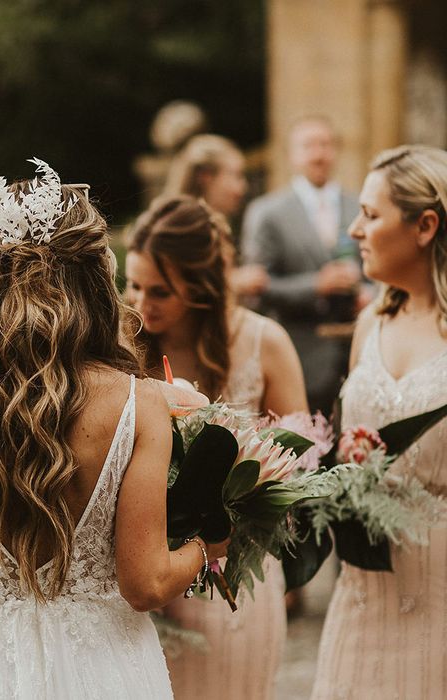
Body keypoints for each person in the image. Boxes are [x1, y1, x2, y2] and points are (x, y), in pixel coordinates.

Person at [0, 160, 228, 699]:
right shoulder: (135, 404)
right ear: (95, 282)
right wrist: (207, 544)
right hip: (108, 668)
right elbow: (145, 584)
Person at [125, 194, 308, 700]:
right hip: (145, 580)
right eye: (133, 284)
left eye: (159, 291)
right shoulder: (122, 346)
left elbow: (300, 464)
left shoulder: (263, 342)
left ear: (201, 288)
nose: (140, 303)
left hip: (235, 581)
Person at [311, 145, 447, 699]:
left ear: (425, 225)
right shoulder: (370, 322)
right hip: (363, 588)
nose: (354, 229)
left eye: (370, 214)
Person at [242, 115, 363, 416]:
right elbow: (256, 287)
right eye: (309, 145)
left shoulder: (360, 205)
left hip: (356, 351)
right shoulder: (267, 212)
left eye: (326, 144)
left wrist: (370, 293)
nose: (319, 153)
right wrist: (315, 285)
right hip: (299, 353)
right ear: (292, 155)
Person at [165, 133, 270, 301]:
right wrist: (236, 283)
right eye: (237, 176)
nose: (243, 187)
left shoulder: (211, 224)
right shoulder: (182, 229)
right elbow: (178, 290)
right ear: (206, 177)